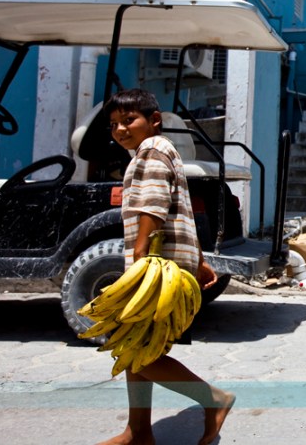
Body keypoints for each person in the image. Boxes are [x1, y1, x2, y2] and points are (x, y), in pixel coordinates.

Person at [101, 88, 235, 445]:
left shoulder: (153, 149)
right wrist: (202, 262)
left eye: (129, 120)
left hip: (158, 266)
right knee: (136, 346)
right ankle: (139, 431)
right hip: (171, 260)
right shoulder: (158, 152)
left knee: (137, 353)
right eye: (114, 124)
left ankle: (214, 400)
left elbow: (155, 203)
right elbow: (182, 210)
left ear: (154, 121)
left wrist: (140, 253)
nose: (120, 129)